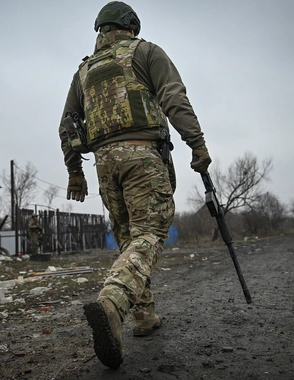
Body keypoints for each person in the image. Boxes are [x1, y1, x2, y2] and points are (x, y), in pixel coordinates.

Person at [58, 1, 211, 369]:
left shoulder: (84, 71)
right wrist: (198, 144)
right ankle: (112, 303)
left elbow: (67, 124)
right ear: (130, 26)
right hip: (142, 157)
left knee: (129, 239)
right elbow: (174, 98)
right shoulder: (146, 51)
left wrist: (75, 171)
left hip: (105, 166)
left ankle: (144, 317)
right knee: (151, 233)